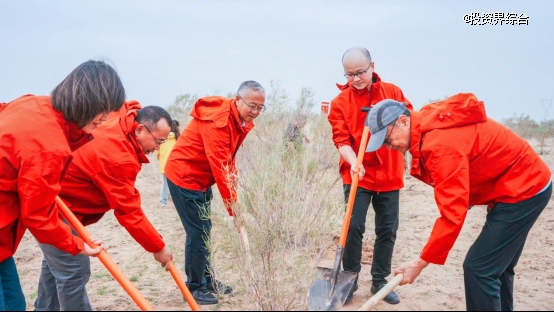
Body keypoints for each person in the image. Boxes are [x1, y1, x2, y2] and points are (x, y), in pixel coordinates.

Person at [364, 94, 552, 311]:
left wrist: (420, 262)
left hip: (524, 187)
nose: (389, 147)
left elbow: (453, 214)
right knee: (496, 268)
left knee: (480, 269)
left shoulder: (439, 144)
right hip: (514, 183)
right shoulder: (426, 125)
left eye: (388, 139)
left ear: (404, 121)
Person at [0, 59, 125, 311]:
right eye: (104, 110)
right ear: (88, 100)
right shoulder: (49, 146)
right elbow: (38, 216)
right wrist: (79, 245)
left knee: (14, 303)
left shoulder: (33, 103)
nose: (105, 118)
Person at [34, 101, 175, 311]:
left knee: (57, 265)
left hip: (58, 198)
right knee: (75, 269)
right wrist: (158, 247)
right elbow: (129, 211)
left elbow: (124, 104)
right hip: (52, 203)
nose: (157, 148)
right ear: (139, 129)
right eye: (158, 141)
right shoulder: (118, 157)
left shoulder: (122, 116)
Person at [164, 80, 266, 305]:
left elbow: (228, 157)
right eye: (252, 105)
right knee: (198, 232)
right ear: (238, 99)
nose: (256, 111)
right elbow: (220, 167)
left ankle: (207, 280)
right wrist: (235, 210)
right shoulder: (218, 121)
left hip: (201, 179)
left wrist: (234, 178)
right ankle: (194, 287)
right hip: (184, 177)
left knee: (205, 231)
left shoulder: (238, 118)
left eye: (260, 107)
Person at [327, 47, 413, 304]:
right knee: (353, 227)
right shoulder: (339, 103)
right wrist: (355, 162)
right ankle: (350, 279)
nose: (355, 79)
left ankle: (379, 281)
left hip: (389, 172)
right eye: (349, 74)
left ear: (372, 66)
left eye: (360, 72)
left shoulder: (393, 92)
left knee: (387, 228)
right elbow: (341, 140)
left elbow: (409, 121)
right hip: (357, 174)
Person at [157, 120, 181, 206]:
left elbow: (158, 151)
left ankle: (163, 202)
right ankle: (177, 202)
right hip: (176, 164)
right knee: (176, 183)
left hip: (164, 164)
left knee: (165, 183)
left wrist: (161, 159)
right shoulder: (179, 138)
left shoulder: (163, 138)